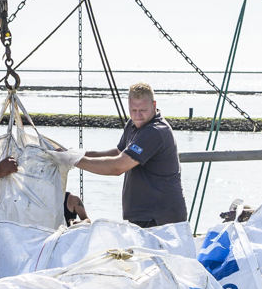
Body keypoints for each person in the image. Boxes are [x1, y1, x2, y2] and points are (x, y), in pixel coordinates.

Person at [76, 82, 188, 227]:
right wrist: (80, 154)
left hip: (161, 218)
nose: (138, 115)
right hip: (142, 215)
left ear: (154, 105)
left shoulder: (155, 131)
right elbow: (119, 153)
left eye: (143, 110)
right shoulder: (133, 123)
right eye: (133, 110)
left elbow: (117, 167)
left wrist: (75, 161)